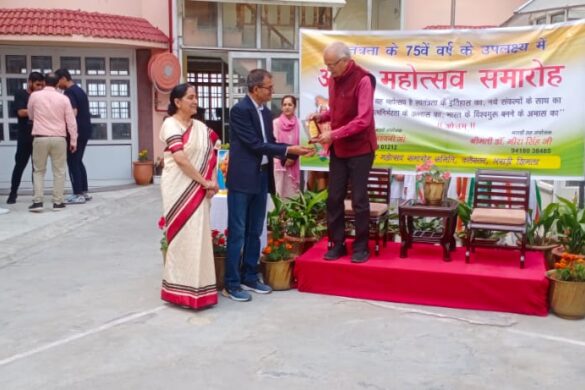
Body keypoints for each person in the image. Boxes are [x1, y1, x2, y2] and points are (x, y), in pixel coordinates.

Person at [225, 69, 314, 302]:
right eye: (269, 88)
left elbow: (271, 143)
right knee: (238, 233)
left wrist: (293, 153)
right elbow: (255, 144)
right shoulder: (239, 111)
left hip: (262, 177)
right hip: (242, 179)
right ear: (255, 89)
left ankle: (250, 277)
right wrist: (287, 149)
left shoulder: (266, 113)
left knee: (256, 230)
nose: (272, 91)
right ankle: (232, 283)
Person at [309, 41, 377, 263]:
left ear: (345, 60)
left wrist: (334, 134)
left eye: (332, 65)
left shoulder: (364, 79)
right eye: (327, 66)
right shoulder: (334, 79)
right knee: (334, 198)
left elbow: (363, 119)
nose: (329, 70)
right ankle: (337, 244)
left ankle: (361, 247)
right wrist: (323, 116)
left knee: (358, 199)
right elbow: (338, 110)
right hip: (339, 148)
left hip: (360, 149)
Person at [159, 82, 220, 310]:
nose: (195, 101)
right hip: (178, 189)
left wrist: (212, 182)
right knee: (182, 238)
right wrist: (205, 182)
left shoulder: (202, 129)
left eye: (196, 97)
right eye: (190, 97)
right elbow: (181, 159)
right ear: (177, 102)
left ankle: (201, 290)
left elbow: (213, 154)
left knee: (200, 237)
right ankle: (178, 290)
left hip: (200, 188)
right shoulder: (170, 125)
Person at [27, 72, 78, 212]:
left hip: (40, 137)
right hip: (59, 138)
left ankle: (38, 202)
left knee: (38, 171)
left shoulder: (34, 96)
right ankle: (58, 202)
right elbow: (71, 121)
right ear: (57, 84)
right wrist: (73, 140)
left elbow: (31, 115)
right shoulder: (63, 98)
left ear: (44, 82)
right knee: (59, 171)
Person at [7, 72, 45, 204]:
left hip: (39, 136)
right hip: (24, 136)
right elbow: (21, 112)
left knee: (37, 168)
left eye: (42, 85)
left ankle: (37, 196)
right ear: (30, 82)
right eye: (37, 84)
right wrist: (38, 111)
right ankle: (13, 193)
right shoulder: (20, 94)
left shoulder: (41, 95)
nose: (40, 87)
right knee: (19, 166)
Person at [55, 68, 92, 204]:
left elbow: (73, 112)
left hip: (76, 132)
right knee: (78, 161)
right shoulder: (79, 90)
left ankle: (78, 194)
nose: (57, 84)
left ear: (64, 78)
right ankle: (84, 191)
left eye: (58, 81)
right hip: (85, 130)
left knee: (72, 162)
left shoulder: (69, 92)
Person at [273, 95, 301, 198]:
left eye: (290, 104)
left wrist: (292, 157)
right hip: (280, 164)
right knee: (279, 193)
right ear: (281, 107)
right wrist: (285, 158)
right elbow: (274, 143)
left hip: (295, 162)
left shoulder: (299, 124)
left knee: (293, 195)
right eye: (284, 105)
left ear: (295, 107)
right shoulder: (276, 123)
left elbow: (301, 144)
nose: (287, 107)